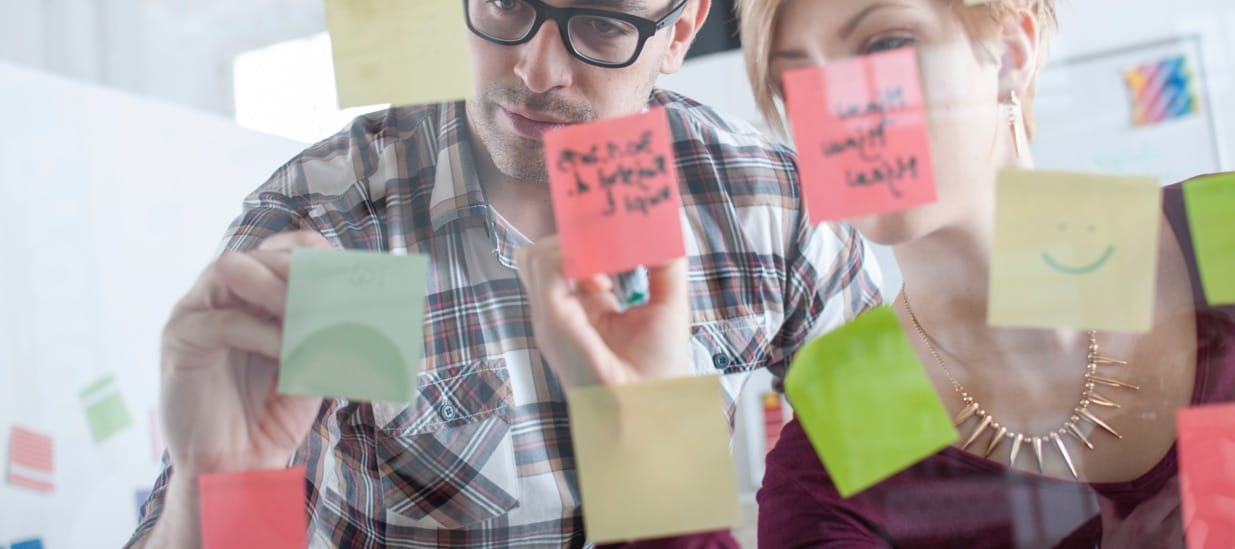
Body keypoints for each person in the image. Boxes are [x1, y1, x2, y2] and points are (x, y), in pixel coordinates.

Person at [124, 0, 883, 547]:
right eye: (504, 3)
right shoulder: (330, 225)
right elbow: (233, 521)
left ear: (679, 31)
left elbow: (889, 480)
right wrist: (210, 488)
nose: (535, 68)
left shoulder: (767, 199)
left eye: (603, 23)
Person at [735, 0, 1235, 546]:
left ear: (1010, 51)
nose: (837, 107)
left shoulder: (1220, 227)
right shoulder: (838, 457)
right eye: (799, 77)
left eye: (885, 45)